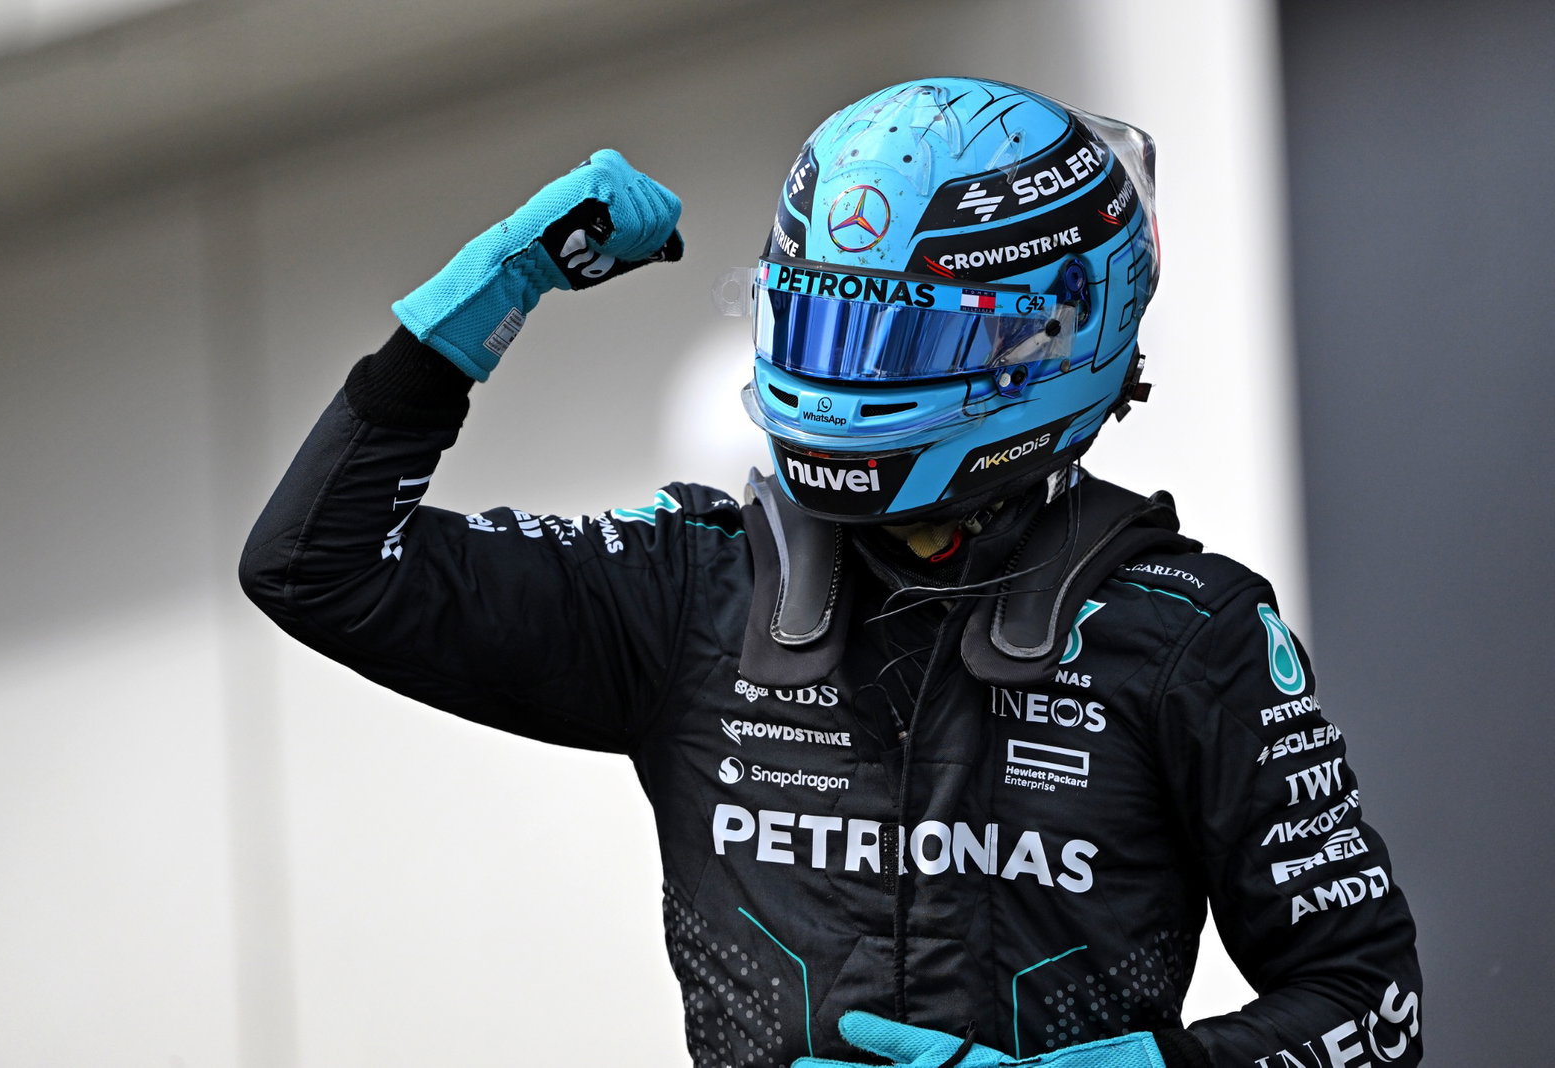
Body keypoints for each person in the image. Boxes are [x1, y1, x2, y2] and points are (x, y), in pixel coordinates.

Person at [240, 78, 1422, 1067]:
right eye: (823, 327)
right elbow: (316, 567)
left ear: (1056, 334)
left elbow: (1369, 1006)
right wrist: (491, 290)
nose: (852, 385)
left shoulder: (1187, 633)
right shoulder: (692, 588)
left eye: (909, 338)